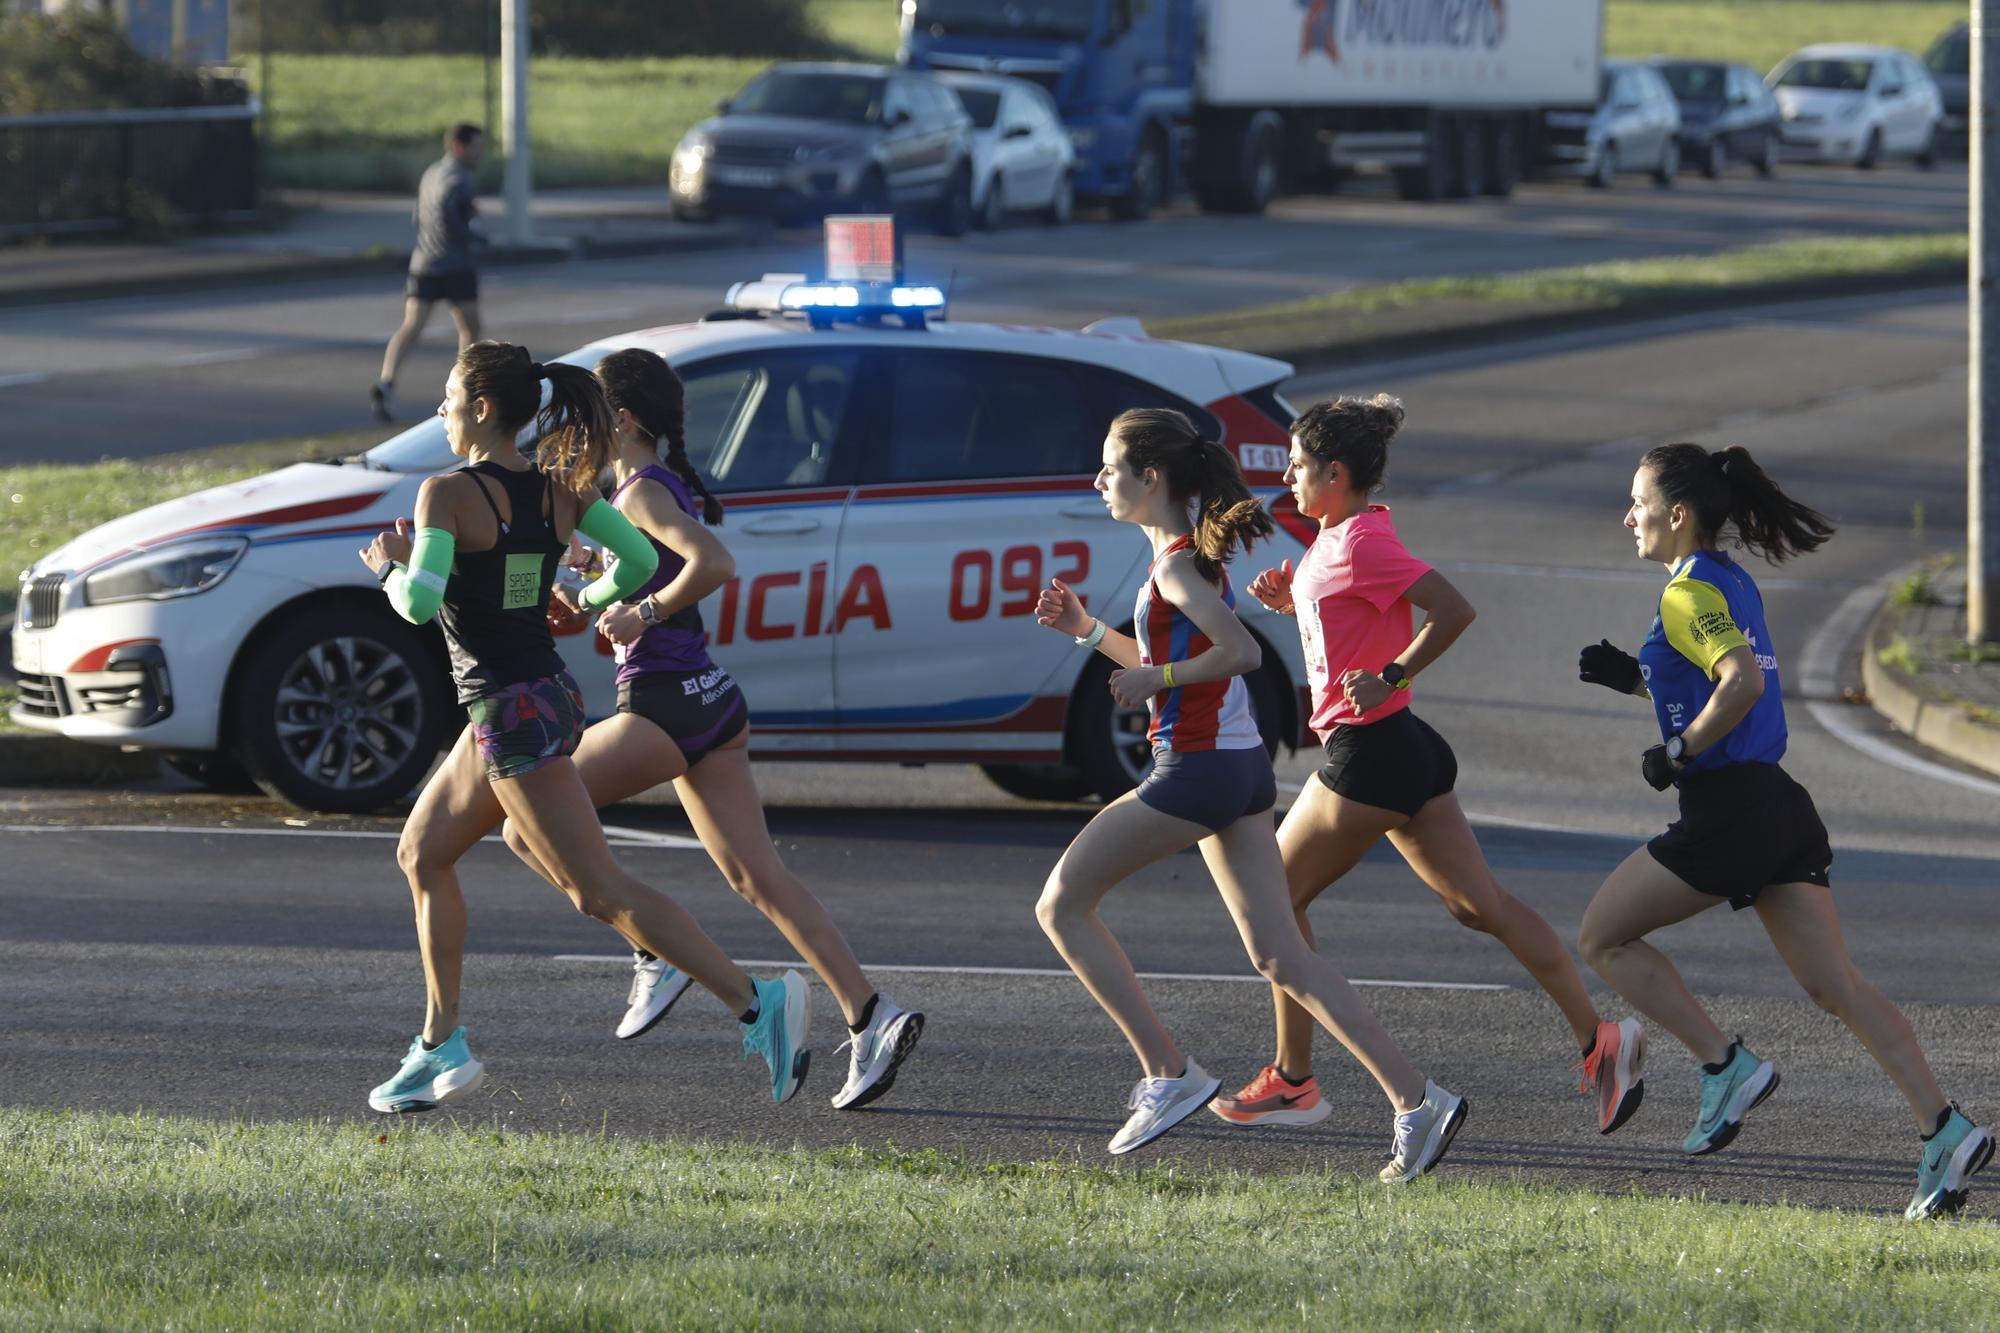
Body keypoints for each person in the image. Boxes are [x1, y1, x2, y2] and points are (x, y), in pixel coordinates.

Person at [356, 340, 811, 1115]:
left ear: (483, 408)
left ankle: (756, 1000)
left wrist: (391, 563)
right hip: (541, 700)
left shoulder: (445, 496)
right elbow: (636, 562)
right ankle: (439, 1044)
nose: (440, 411)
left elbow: (422, 605)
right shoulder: (560, 491)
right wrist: (592, 597)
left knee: (599, 889)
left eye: (447, 397)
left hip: (511, 714)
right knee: (422, 851)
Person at [1032, 407, 1467, 1177]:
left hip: (1197, 771)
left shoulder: (1174, 565)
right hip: (1239, 773)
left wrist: (1154, 678)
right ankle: (1416, 1099)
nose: (1100, 480)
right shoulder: (1184, 558)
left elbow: (1236, 655)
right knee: (1281, 954)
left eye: (1111, 467)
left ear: (1151, 478)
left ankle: (1168, 1072)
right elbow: (1172, 651)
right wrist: (1089, 632)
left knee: (1060, 905)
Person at [1574, 441, 1993, 1220]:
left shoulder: (1685, 594)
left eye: (1637, 502)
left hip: (1729, 813)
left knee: (1602, 937)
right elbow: (1719, 687)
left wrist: (1679, 750)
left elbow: (1741, 682)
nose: (1626, 515)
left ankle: (1723, 1065)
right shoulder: (1729, 580)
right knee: (1838, 986)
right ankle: (1946, 1129)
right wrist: (1638, 679)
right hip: (1776, 805)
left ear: (1677, 513)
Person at [501, 347, 923, 1110]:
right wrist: (594, 599)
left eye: (595, 415)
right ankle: (870, 1014)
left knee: (523, 823)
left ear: (621, 420)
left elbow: (713, 564)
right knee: (759, 878)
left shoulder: (638, 493)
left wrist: (643, 612)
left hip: (664, 704)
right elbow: (643, 583)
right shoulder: (645, 489)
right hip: (710, 703)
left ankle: (651, 948)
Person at [1214, 395, 1643, 1137]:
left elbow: (1453, 609)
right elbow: (1351, 617)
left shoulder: (1360, 543)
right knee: (1482, 907)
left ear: (1336, 471)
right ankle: (1601, 1039)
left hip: (1369, 752)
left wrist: (1394, 673)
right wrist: (1296, 606)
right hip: (1402, 748)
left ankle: (1293, 1079)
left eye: (1298, 464)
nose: (1286, 475)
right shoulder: (1338, 535)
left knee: (1274, 906)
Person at [372, 123, 486, 422]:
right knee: (470, 329)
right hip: (456, 265)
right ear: (460, 147)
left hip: (423, 262)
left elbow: (419, 216)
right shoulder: (461, 180)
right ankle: (464, 391)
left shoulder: (431, 173)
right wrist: (476, 237)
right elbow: (454, 220)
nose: (481, 153)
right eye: (477, 147)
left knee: (411, 326)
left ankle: (386, 381)